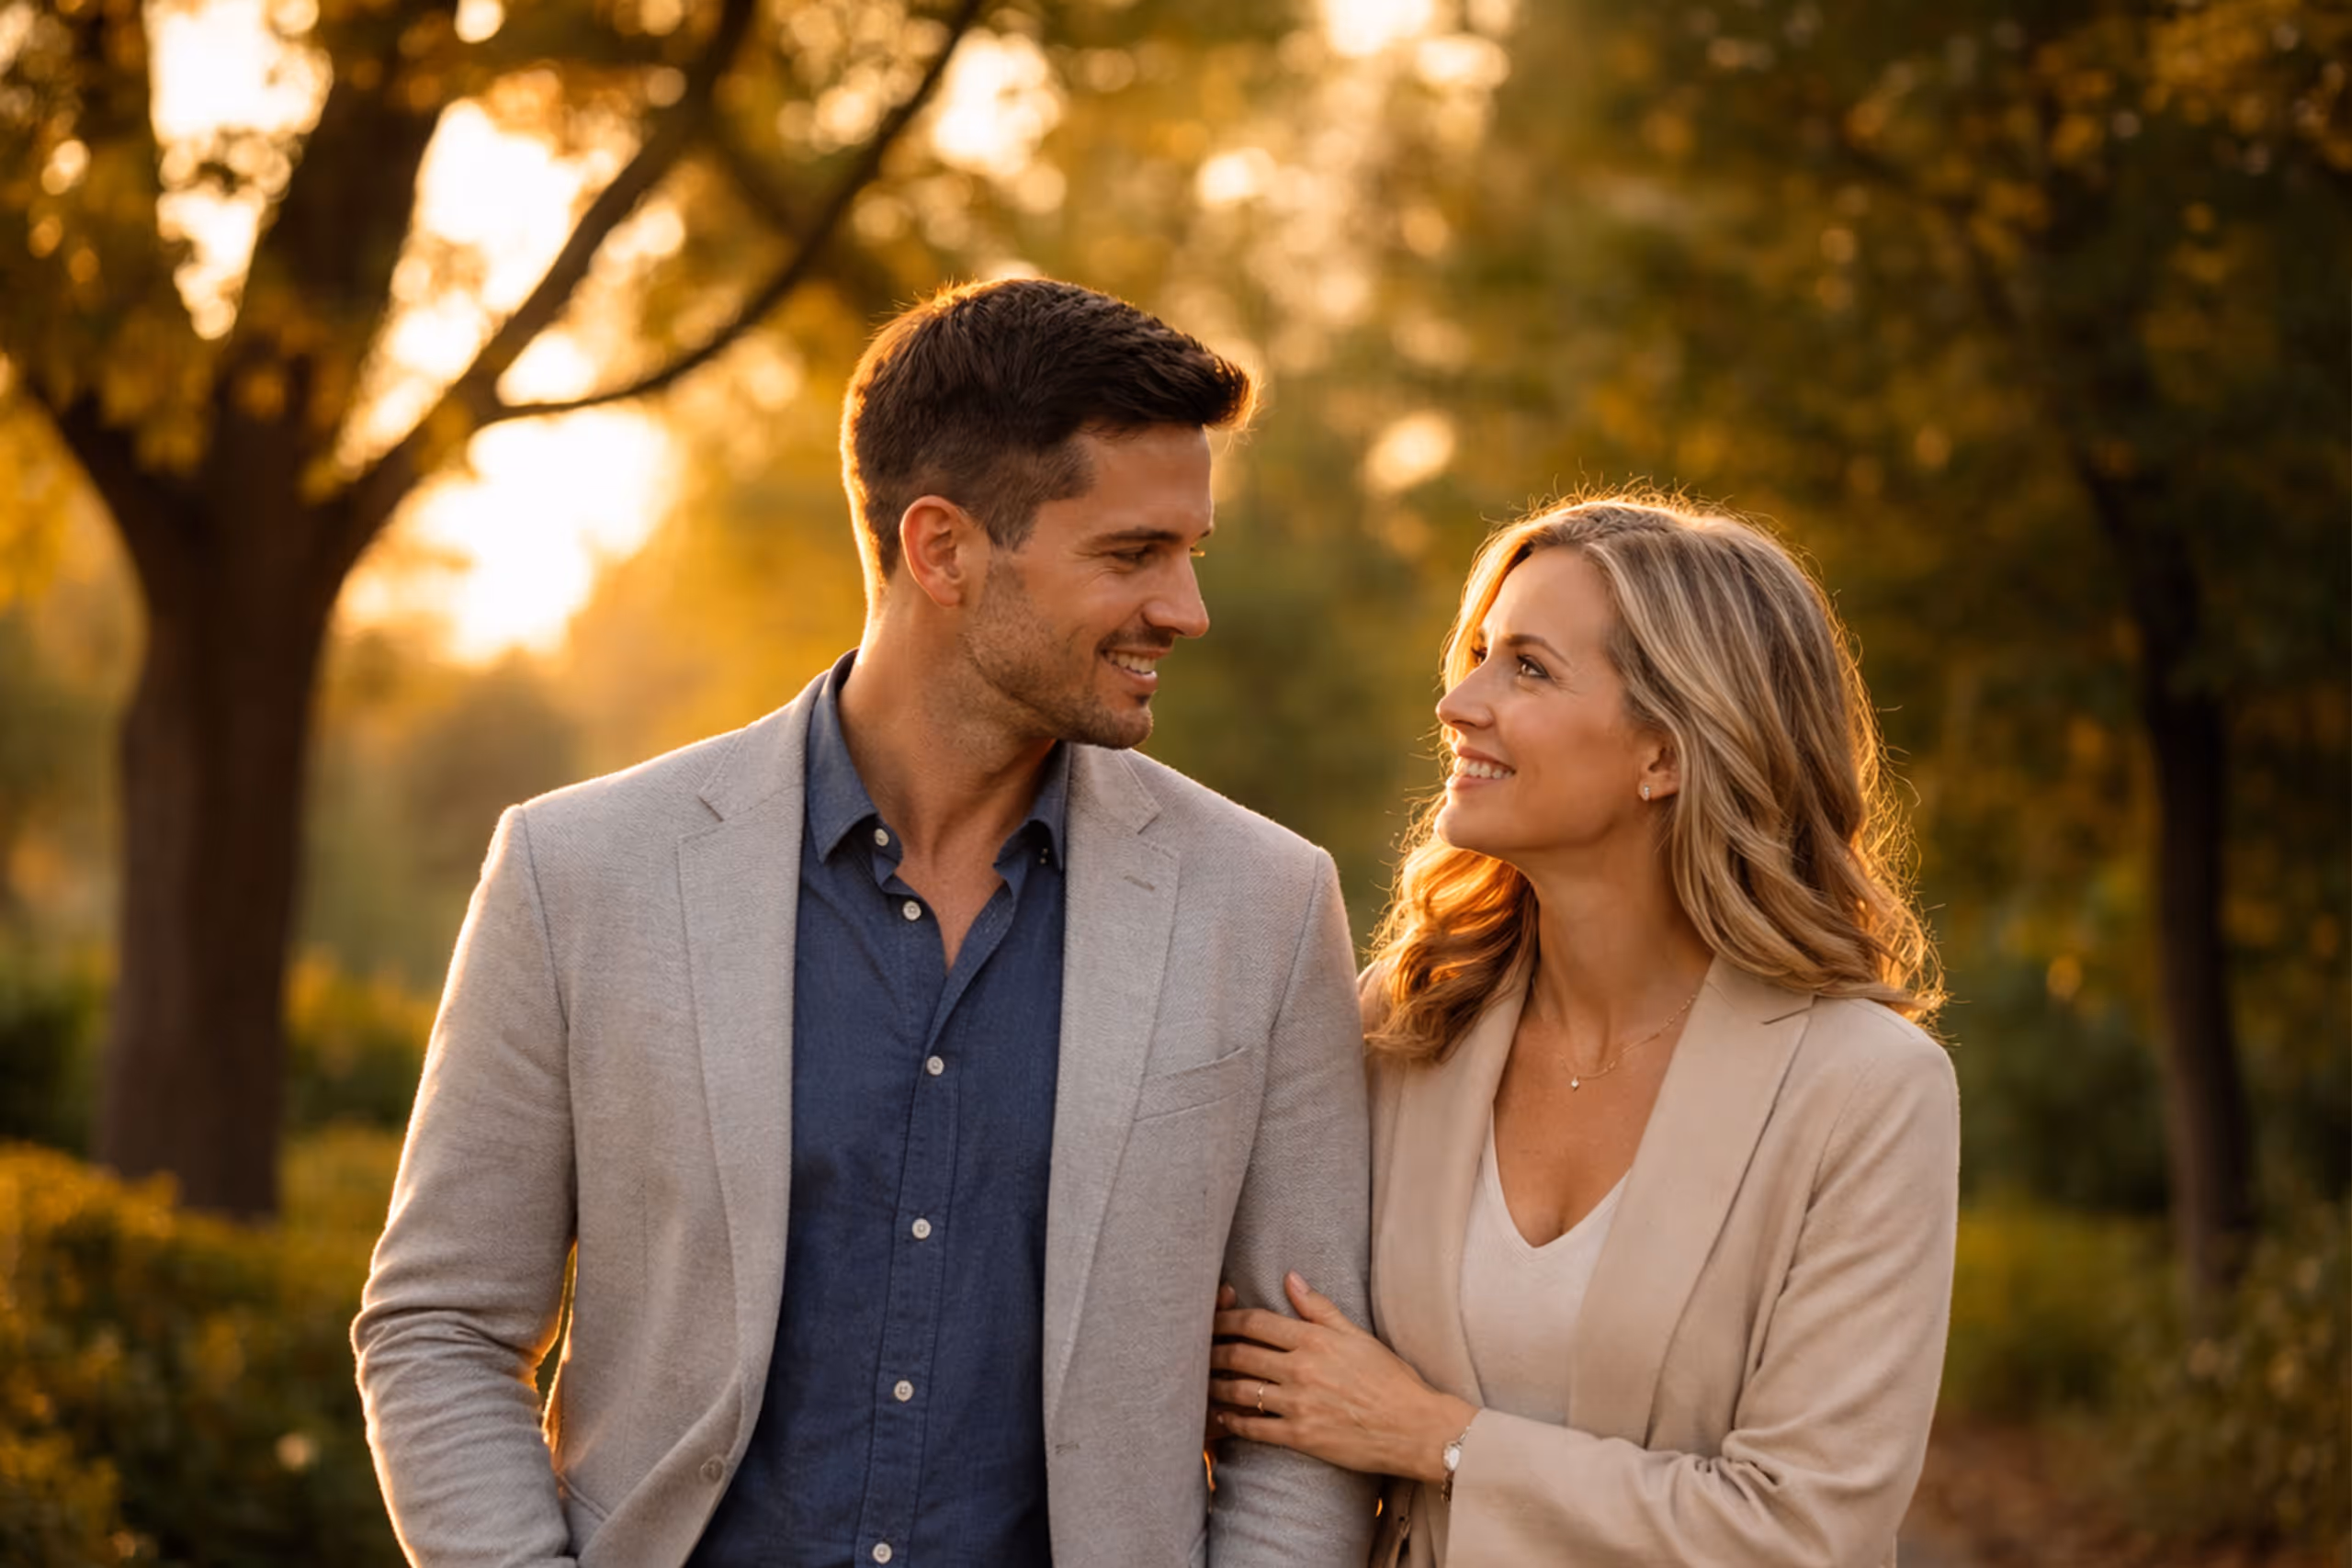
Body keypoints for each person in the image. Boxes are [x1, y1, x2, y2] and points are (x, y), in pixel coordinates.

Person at [355, 278, 1379, 1568]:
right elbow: (439, 1322)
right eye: (1132, 554)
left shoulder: (1266, 906)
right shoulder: (580, 872)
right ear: (941, 547)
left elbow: (1305, 1411)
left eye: (1191, 553)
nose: (1186, 609)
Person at [1207, 497, 1958, 1566]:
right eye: (1477, 653)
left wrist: (1442, 1441)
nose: (1457, 701)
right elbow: (1279, 1387)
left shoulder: (1864, 1091)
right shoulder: (1403, 1023)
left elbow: (1805, 1533)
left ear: (1664, 751)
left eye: (1527, 668)